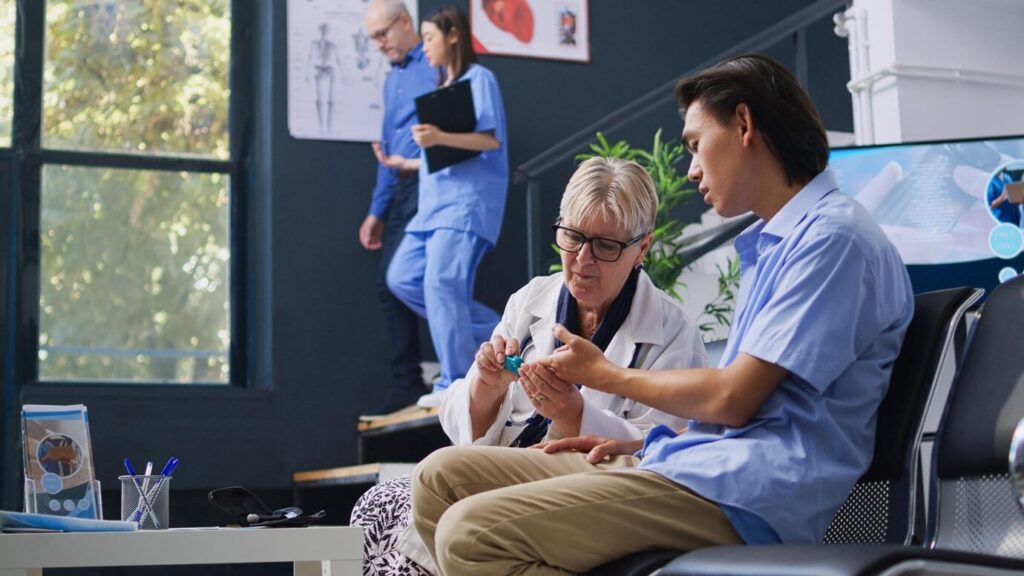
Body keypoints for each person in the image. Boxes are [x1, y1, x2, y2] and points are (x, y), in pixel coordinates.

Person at [410, 54, 915, 575]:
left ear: (744, 124)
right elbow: (748, 409)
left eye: (696, 144)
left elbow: (733, 399)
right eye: (574, 239)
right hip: (696, 466)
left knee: (468, 534)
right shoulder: (781, 245)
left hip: (746, 495)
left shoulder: (832, 241)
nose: (692, 168)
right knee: (439, 480)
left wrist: (604, 376)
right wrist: (635, 442)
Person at [350, 156, 705, 576]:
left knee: (428, 498)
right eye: (572, 237)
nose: (583, 259)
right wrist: (487, 384)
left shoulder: (671, 332)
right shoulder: (533, 298)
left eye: (606, 246)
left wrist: (573, 415)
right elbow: (469, 422)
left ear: (641, 247)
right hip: (505, 463)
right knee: (374, 505)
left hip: (576, 485)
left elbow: (660, 459)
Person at [382, 5, 507, 407]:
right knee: (404, 278)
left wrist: (437, 136)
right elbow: (444, 155)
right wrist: (409, 162)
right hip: (433, 208)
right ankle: (506, 333)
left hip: (464, 205)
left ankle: (453, 381)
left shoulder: (479, 79)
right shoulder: (443, 90)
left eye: (430, 36)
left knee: (442, 286)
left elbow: (490, 141)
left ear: (453, 35)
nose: (426, 44)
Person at [360, 0, 438, 414]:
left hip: (432, 186)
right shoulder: (392, 81)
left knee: (418, 281)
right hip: (401, 190)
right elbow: (388, 148)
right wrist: (377, 211)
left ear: (405, 21)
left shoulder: (434, 64)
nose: (379, 44)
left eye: (382, 34)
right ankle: (406, 381)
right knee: (388, 286)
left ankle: (455, 365)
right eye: (373, 38)